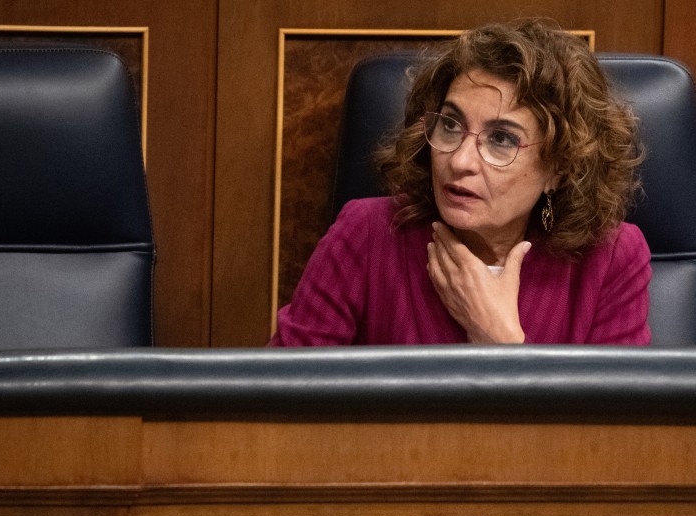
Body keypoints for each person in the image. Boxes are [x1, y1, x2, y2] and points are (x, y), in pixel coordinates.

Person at [269, 18, 651, 346]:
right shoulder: (366, 235)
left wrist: (501, 342)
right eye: (451, 125)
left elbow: (615, 429)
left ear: (560, 166)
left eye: (501, 138)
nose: (460, 160)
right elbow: (279, 401)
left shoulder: (610, 258)